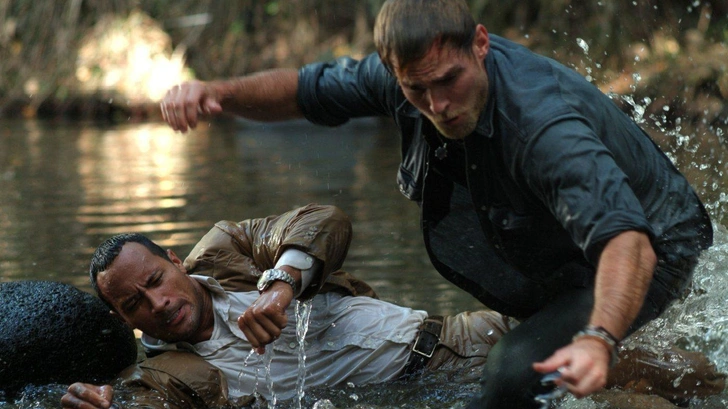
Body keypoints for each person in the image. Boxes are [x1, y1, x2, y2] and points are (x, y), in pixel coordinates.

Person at [158, 1, 714, 407]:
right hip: (558, 240)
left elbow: (628, 242)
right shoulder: (406, 76)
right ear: (394, 73)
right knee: (547, 355)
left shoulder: (545, 128)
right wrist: (219, 94)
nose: (439, 105)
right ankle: (690, 382)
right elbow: (306, 91)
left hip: (654, 244)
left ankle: (637, 364)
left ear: (480, 42)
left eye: (450, 81)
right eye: (416, 91)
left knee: (511, 377)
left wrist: (597, 337)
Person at [61, 205, 724, 409]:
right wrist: (107, 404)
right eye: (135, 303)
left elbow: (322, 218)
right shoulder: (170, 373)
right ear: (128, 321)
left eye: (153, 278)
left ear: (175, 260)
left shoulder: (225, 252)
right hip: (436, 397)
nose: (156, 300)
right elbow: (150, 406)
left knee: (684, 372)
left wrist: (283, 283)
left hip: (466, 340)